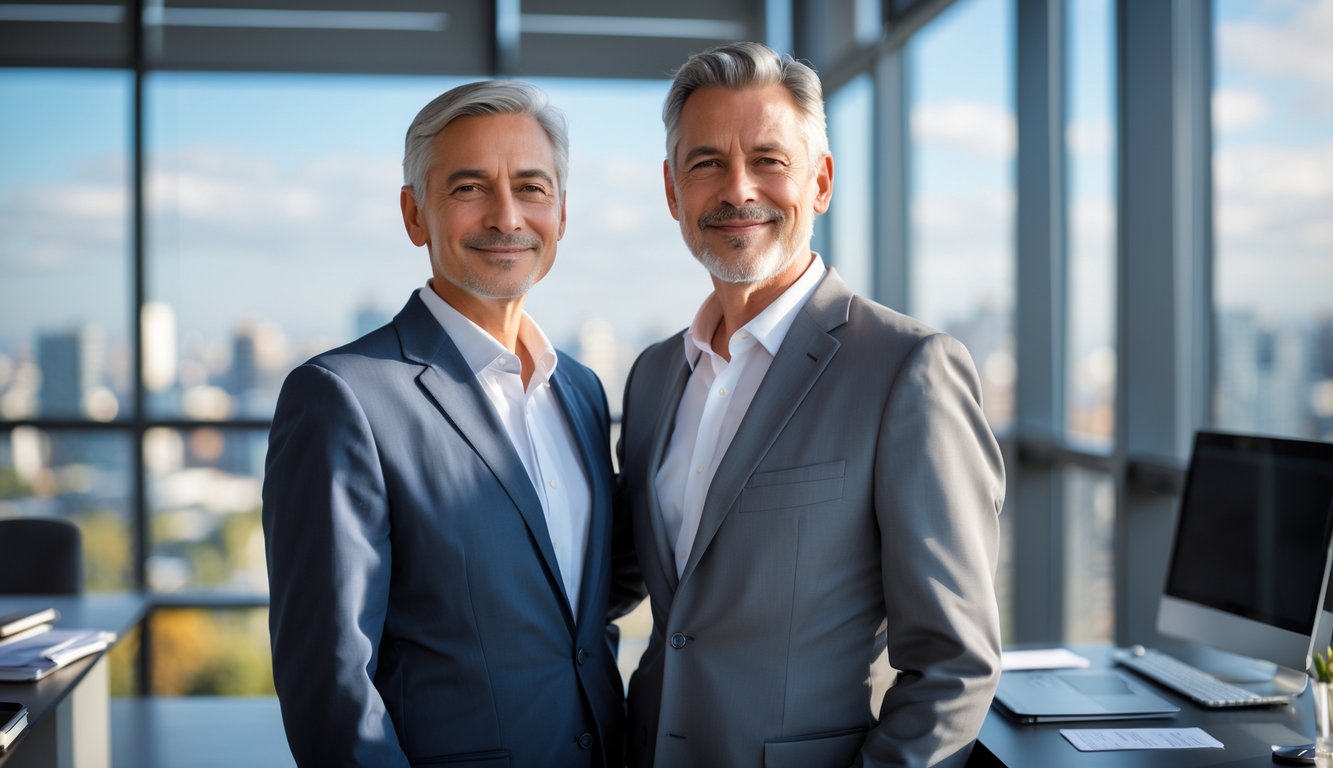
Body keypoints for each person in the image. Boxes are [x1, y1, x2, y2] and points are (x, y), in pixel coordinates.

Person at [617, 42, 1005, 767]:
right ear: (672, 191)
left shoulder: (907, 370)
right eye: (706, 163)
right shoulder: (652, 377)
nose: (737, 189)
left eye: (768, 159)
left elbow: (954, 667)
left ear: (820, 181)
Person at [262, 80, 633, 768]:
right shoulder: (341, 397)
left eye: (531, 187)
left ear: (561, 212)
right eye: (468, 188)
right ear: (414, 214)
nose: (506, 217)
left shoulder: (579, 389)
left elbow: (576, 602)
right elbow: (331, 686)